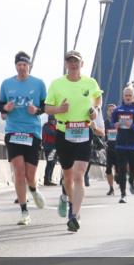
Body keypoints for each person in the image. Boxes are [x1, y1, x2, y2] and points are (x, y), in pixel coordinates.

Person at [45, 50, 102, 233]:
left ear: (82, 64)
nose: (73, 64)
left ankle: (74, 215)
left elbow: (97, 98)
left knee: (79, 175)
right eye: (70, 61)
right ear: (66, 64)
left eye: (76, 61)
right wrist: (59, 108)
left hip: (84, 131)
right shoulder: (57, 84)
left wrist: (96, 109)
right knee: (67, 176)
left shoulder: (90, 82)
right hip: (64, 132)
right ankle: (66, 197)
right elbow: (46, 107)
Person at [0, 51, 47, 226]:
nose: (21, 67)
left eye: (24, 64)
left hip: (32, 132)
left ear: (29, 66)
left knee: (30, 175)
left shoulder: (39, 84)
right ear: (15, 66)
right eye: (19, 64)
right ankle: (24, 211)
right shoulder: (6, 83)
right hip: (13, 131)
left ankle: (33, 189)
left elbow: (45, 106)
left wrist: (37, 111)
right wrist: (6, 108)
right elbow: (0, 106)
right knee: (19, 172)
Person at [111, 86, 134, 203]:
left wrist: (131, 125)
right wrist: (115, 125)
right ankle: (123, 194)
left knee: (132, 169)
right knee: (121, 170)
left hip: (133, 145)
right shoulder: (117, 110)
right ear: (123, 96)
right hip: (120, 144)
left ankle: (131, 180)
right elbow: (112, 123)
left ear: (133, 97)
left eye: (130, 95)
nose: (127, 97)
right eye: (126, 95)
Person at [103, 104, 119, 196]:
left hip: (119, 149)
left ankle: (118, 177)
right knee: (108, 169)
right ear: (107, 112)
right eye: (110, 110)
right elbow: (102, 134)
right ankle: (111, 188)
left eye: (113, 110)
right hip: (109, 149)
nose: (112, 111)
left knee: (118, 170)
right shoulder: (105, 123)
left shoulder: (120, 122)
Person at [41, 116, 58, 186]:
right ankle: (46, 180)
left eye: (54, 120)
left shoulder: (55, 126)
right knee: (50, 163)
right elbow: (51, 133)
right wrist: (59, 132)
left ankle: (49, 179)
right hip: (49, 147)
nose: (53, 121)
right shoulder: (46, 126)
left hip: (54, 147)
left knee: (53, 163)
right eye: (52, 120)